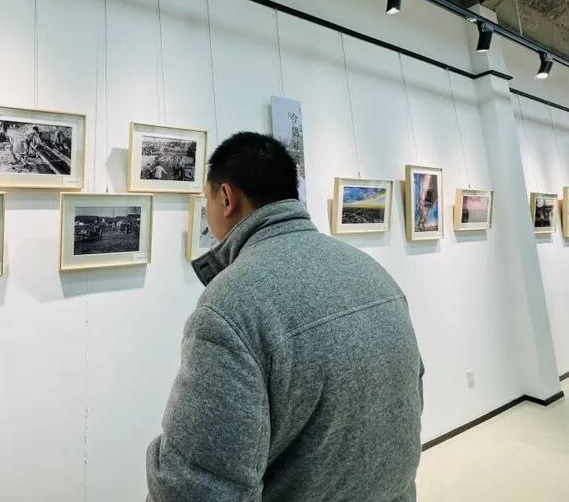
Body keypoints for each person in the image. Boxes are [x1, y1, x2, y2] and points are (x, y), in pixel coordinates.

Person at [146, 132, 423, 502]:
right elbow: (410, 404)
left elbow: (197, 487)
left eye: (206, 198)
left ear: (226, 198)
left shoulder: (230, 305)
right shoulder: (374, 273)